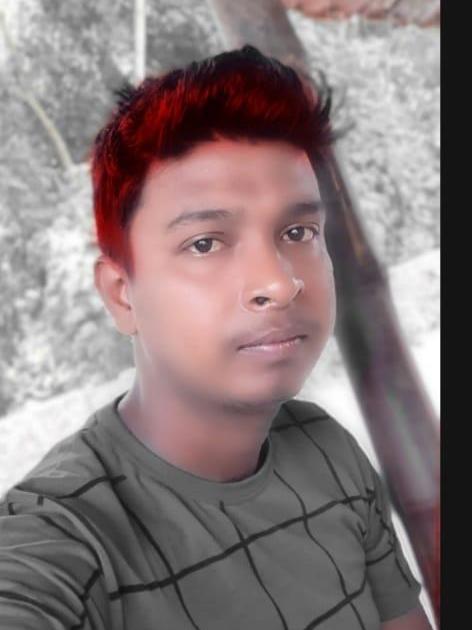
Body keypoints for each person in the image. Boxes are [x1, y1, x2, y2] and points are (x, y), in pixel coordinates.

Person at [0, 45, 432, 629]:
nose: (279, 283)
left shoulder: (329, 452)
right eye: (205, 243)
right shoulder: (64, 538)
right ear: (122, 294)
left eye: (299, 231)